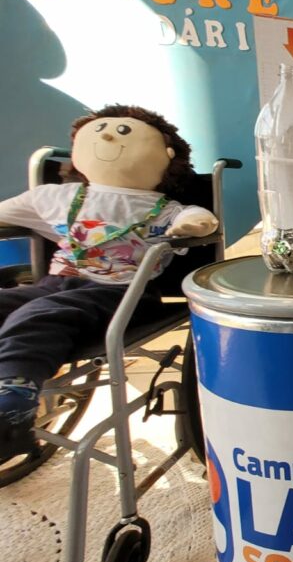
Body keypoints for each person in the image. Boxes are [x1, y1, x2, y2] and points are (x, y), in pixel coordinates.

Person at [0, 105, 218, 458]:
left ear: (168, 156)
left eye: (123, 132)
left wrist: (191, 225)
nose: (107, 137)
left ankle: (14, 404)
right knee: (20, 304)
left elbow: (197, 219)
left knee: (39, 315)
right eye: (100, 130)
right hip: (56, 283)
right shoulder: (59, 196)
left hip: (122, 293)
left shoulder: (163, 207)